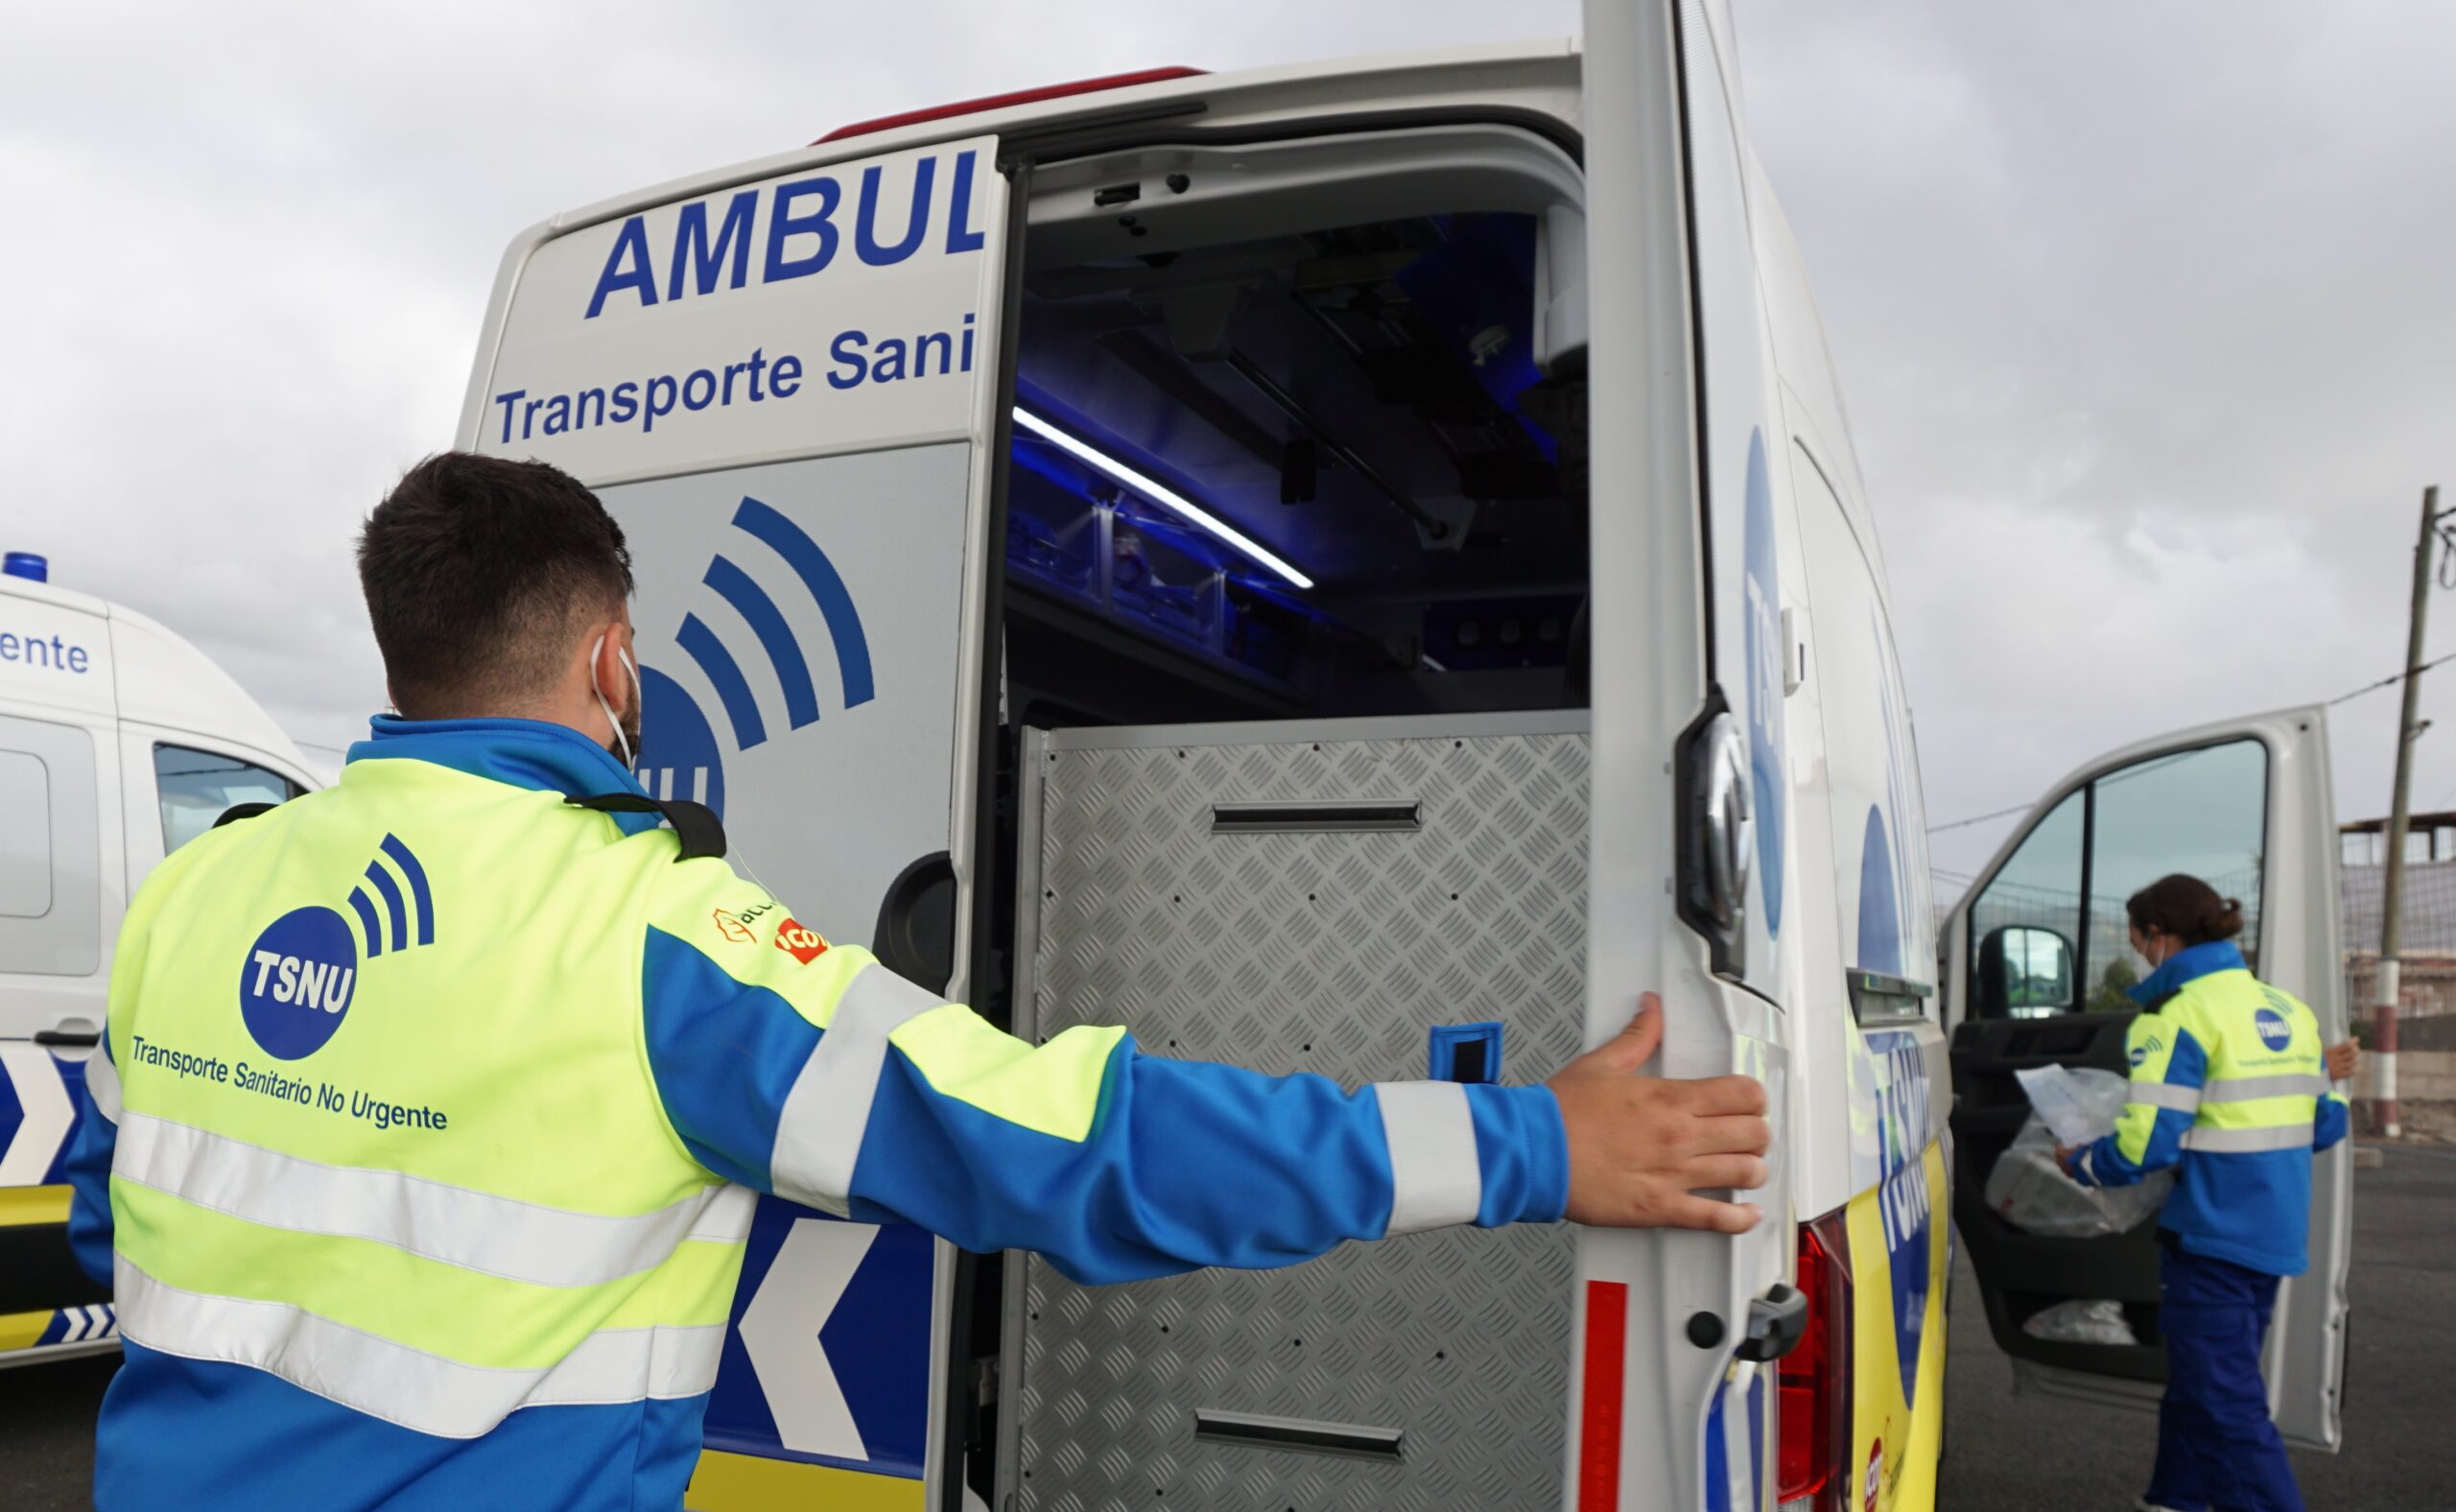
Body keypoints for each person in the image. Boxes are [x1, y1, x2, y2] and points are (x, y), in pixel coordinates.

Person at [62, 452, 1772, 1511]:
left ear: (403, 653)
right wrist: (1537, 1143)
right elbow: (1075, 1146)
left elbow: (113, 1222)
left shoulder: (195, 895)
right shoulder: (660, 941)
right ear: (610, 659)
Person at [2055, 873, 2350, 1512]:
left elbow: (2147, 1147)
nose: (2142, 957)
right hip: (2273, 1233)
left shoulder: (2175, 1018)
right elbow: (2327, 1124)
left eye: (2139, 944)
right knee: (2201, 1385)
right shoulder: (2287, 1009)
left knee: (2225, 1404)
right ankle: (2175, 1499)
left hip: (2212, 1237)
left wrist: (2081, 1161)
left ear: (2159, 936)